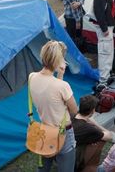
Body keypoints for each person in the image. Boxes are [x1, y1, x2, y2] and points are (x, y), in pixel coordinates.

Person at [29, 41, 79, 172]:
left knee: (44, 166)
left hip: (45, 129)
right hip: (64, 132)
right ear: (58, 60)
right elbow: (75, 111)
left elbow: (51, 94)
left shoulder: (32, 77)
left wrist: (60, 75)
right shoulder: (63, 86)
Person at [73, 95, 113, 172]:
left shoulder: (71, 116)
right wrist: (95, 123)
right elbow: (109, 136)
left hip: (61, 150)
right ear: (93, 111)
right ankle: (87, 166)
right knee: (101, 140)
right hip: (74, 158)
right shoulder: (89, 128)